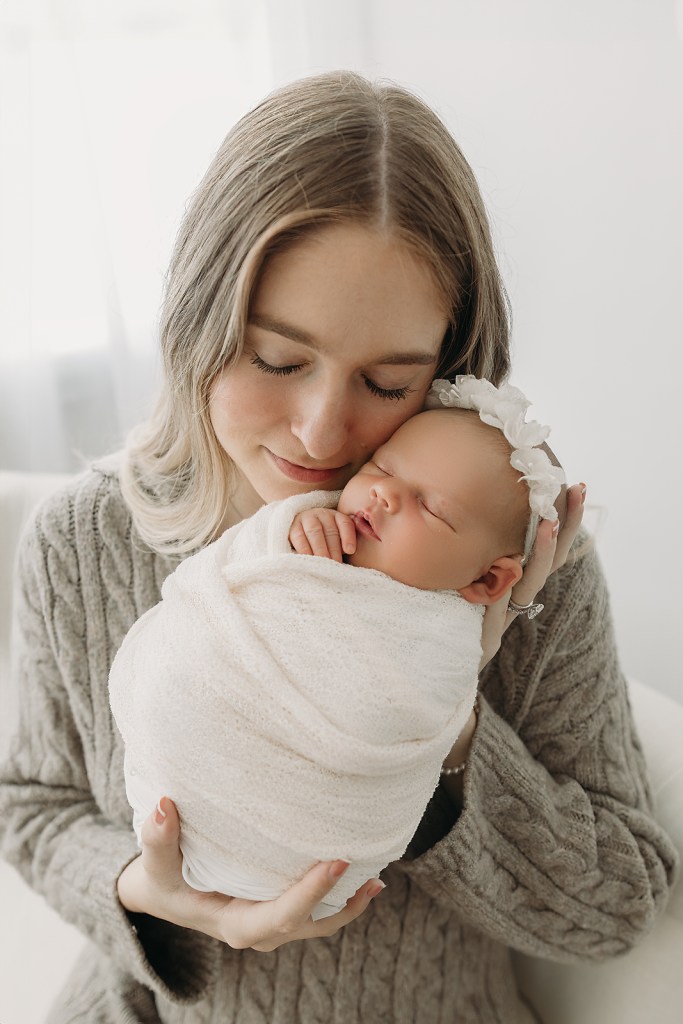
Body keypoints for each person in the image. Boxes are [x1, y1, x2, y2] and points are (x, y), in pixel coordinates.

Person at [0, 70, 676, 1024]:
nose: (321, 433)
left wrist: (446, 729)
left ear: (450, 368)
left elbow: (614, 909)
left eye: (388, 383)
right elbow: (32, 804)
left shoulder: (513, 567)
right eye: (277, 360)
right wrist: (147, 896)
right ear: (197, 326)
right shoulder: (87, 539)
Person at [109, 379, 566, 924]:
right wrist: (286, 532)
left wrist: (463, 702)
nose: (384, 494)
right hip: (172, 792)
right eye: (382, 467)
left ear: (489, 580)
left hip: (306, 853)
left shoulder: (447, 636)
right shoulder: (311, 524)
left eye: (431, 508)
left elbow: (620, 907)